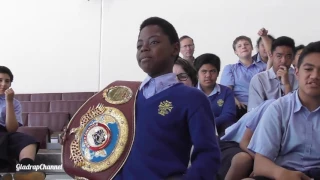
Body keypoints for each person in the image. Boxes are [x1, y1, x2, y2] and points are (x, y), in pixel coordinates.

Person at [113, 17, 221, 179]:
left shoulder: (192, 99)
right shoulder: (128, 97)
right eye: (139, 45)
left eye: (154, 42)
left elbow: (208, 155)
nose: (144, 48)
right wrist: (74, 137)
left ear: (175, 48)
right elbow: (106, 143)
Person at [247, 41, 320, 180]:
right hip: (283, 173)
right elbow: (260, 163)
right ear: (297, 72)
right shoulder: (278, 109)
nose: (315, 75)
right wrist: (281, 174)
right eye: (309, 69)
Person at [0, 66, 45, 180]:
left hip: (5, 133)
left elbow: (11, 129)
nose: (4, 84)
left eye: (7, 81)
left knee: (28, 140)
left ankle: (25, 172)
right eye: (0, 80)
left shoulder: (15, 103)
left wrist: (9, 102)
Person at [248, 36, 298, 111]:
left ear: (293, 57)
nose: (283, 61)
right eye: (279, 56)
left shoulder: (298, 77)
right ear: (271, 55)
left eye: (288, 56)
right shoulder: (259, 80)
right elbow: (254, 112)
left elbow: (295, 109)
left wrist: (287, 84)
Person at [220, 36, 264, 119]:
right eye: (239, 46)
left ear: (252, 48)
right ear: (235, 52)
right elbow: (226, 90)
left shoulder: (262, 68)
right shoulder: (230, 68)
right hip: (240, 105)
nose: (243, 47)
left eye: (246, 44)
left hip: (260, 105)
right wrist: (234, 101)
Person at [194, 53, 236, 135]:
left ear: (218, 73)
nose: (208, 75)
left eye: (212, 71)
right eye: (204, 71)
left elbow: (229, 115)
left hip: (222, 134)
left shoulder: (226, 92)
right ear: (197, 74)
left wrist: (206, 123)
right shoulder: (191, 93)